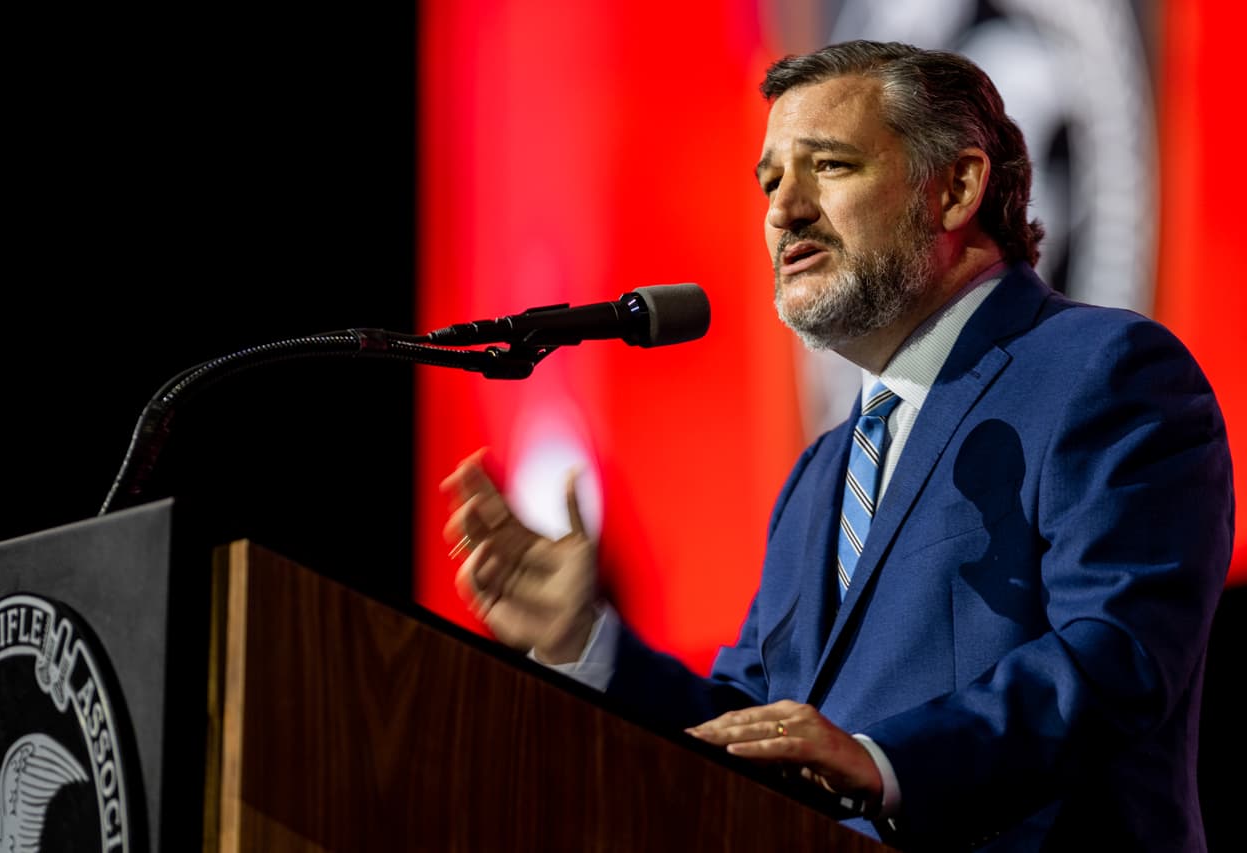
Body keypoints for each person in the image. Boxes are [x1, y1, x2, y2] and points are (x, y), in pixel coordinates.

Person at [440, 41, 1233, 851]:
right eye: (771, 180)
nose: (784, 209)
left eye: (829, 166)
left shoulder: (1105, 372)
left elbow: (1116, 656)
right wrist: (587, 645)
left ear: (956, 188)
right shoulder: (820, 477)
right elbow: (752, 731)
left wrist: (886, 763)